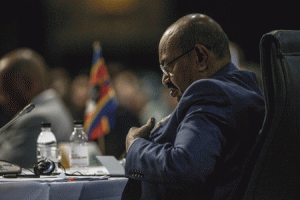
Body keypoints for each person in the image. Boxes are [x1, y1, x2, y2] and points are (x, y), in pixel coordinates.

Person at [122, 14, 265, 199]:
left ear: (200, 56)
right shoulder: (245, 86)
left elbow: (185, 167)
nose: (165, 80)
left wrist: (135, 146)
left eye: (168, 67)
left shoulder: (210, 93)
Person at [0, 48, 74, 168]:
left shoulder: (36, 118)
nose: (2, 99)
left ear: (28, 83)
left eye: (5, 89)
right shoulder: (55, 105)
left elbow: (8, 164)